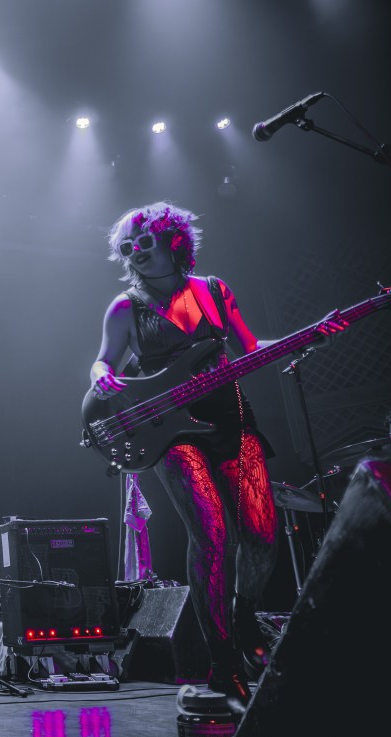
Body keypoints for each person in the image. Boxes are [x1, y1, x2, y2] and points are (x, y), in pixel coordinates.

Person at [87, 201, 346, 713]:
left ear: (175, 241)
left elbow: (248, 349)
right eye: (127, 247)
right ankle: (221, 663)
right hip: (172, 432)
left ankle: (244, 615)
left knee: (262, 534)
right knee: (210, 535)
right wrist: (99, 375)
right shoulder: (125, 308)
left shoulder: (214, 290)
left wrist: (307, 336)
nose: (135, 253)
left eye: (145, 242)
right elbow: (102, 360)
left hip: (232, 419)